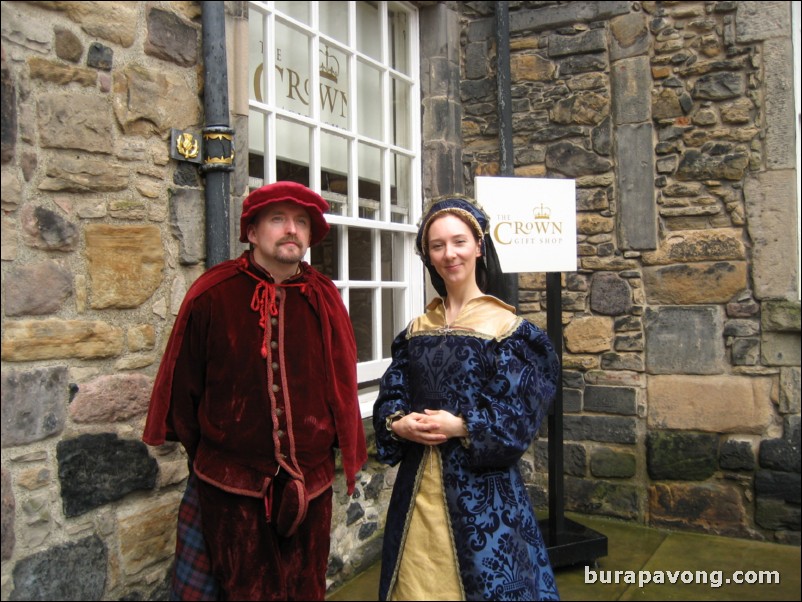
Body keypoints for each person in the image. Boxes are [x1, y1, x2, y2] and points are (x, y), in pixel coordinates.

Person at [143, 181, 367, 601]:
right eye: (278, 219)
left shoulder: (324, 297)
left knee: (304, 590)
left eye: (301, 222)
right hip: (230, 491)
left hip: (310, 487)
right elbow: (184, 392)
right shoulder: (212, 293)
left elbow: (341, 384)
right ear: (251, 231)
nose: (292, 230)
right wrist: (224, 460)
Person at [373, 194, 561, 601]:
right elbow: (391, 393)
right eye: (437, 245)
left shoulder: (509, 330)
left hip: (485, 497)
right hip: (417, 490)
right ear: (428, 255)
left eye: (458, 242)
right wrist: (398, 423)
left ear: (478, 246)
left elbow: (520, 415)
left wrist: (461, 425)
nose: (449, 254)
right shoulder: (417, 330)